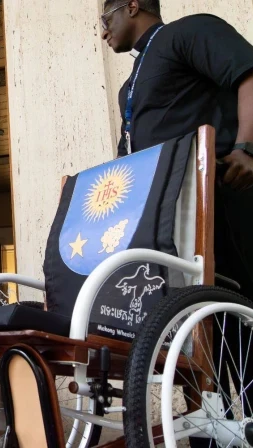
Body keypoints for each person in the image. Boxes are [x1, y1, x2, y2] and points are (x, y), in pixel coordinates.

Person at [101, 0, 253, 427]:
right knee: (193, 340)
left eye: (105, 19)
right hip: (168, 225)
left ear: (132, 5)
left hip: (219, 201)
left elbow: (248, 74)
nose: (103, 31)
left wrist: (246, 147)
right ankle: (211, 431)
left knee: (239, 326)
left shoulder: (188, 32)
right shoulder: (128, 86)